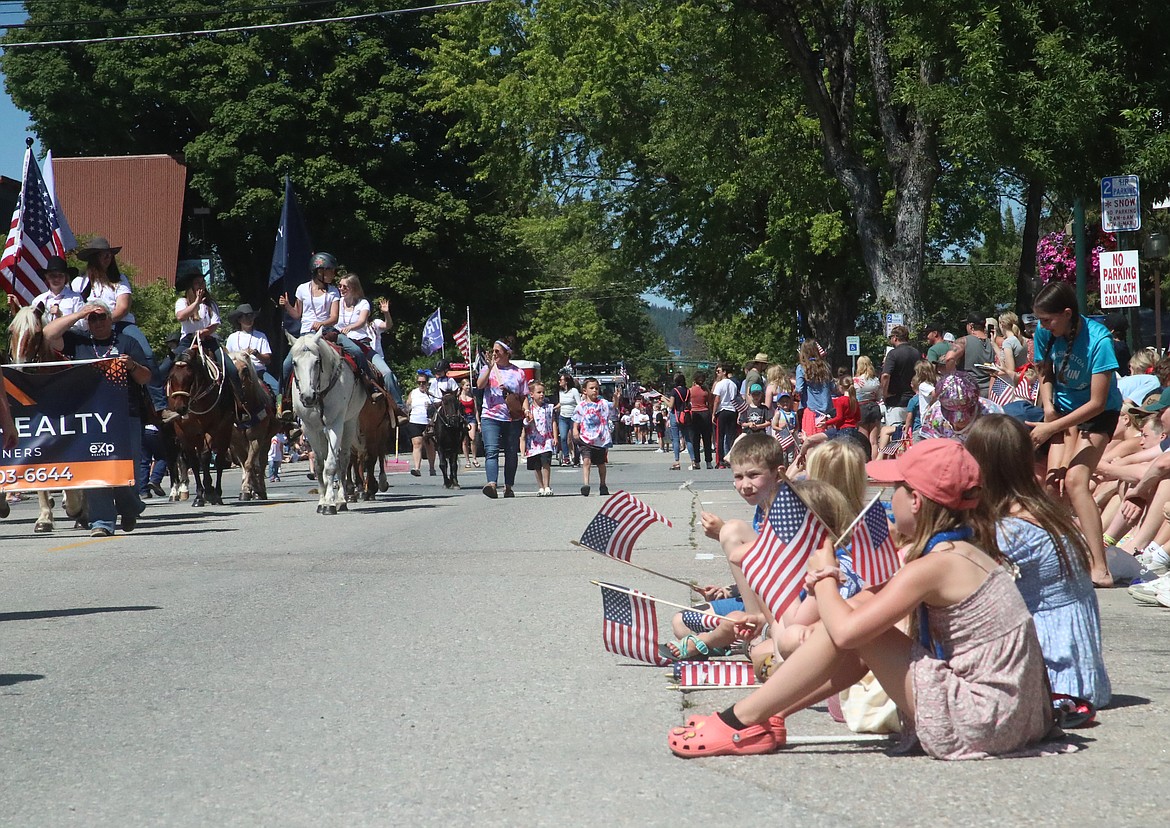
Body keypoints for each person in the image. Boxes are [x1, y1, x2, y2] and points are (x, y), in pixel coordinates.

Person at [669, 440, 1054, 759]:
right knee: (856, 614)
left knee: (852, 623)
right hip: (1012, 715)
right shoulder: (956, 549)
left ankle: (740, 720)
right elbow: (857, 636)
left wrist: (824, 577)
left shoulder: (937, 565)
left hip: (983, 721)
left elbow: (849, 634)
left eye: (894, 492)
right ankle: (763, 715)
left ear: (916, 502)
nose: (887, 500)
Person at [966, 415, 1111, 707]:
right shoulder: (1044, 513)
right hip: (1081, 677)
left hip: (1052, 684)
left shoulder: (1014, 531)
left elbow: (961, 592)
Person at [1029, 280, 1122, 587]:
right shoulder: (1046, 333)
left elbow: (1097, 402)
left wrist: (1052, 427)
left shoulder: (1099, 341)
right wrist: (1048, 409)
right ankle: (1060, 559)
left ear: (1067, 313)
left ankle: (1101, 568)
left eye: (1047, 320)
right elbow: (1046, 373)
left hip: (1097, 415)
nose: (1042, 326)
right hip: (1059, 415)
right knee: (1053, 486)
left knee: (1075, 481)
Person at [43, 300, 153, 537]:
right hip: (90, 416)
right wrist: (80, 313)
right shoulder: (78, 341)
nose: (98, 321)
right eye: (92, 318)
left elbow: (145, 378)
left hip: (125, 414)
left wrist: (132, 366)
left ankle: (130, 506)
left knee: (127, 469)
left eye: (101, 316)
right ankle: (101, 522)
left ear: (110, 319)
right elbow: (48, 333)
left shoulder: (127, 342)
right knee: (95, 469)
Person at [72, 236, 154, 364]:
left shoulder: (120, 279)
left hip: (121, 323)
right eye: (103, 255)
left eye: (109, 255)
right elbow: (76, 307)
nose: (107, 258)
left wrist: (106, 321)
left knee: (146, 352)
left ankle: (153, 384)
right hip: (90, 325)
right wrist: (94, 323)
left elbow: (123, 307)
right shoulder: (79, 282)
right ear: (93, 258)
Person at [477, 339, 529, 498]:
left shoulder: (518, 372)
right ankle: (492, 483)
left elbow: (523, 395)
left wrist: (526, 410)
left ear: (507, 353)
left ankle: (508, 486)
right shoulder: (488, 369)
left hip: (512, 418)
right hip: (490, 416)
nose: (494, 354)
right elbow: (479, 385)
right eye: (493, 351)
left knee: (511, 452)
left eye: (497, 351)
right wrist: (490, 368)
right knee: (491, 451)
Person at [336, 273, 397, 398]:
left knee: (388, 373)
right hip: (340, 343)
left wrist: (350, 327)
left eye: (344, 287)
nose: (340, 289)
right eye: (339, 285)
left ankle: (398, 407)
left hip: (362, 345)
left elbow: (362, 321)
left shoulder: (363, 304)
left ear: (353, 288)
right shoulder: (337, 302)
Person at [919, 372, 994, 443]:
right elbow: (927, 446)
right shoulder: (935, 415)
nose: (959, 420)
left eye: (965, 411)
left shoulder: (991, 415)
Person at [225, 304, 279, 397]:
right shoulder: (232, 337)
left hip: (259, 371)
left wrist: (256, 353)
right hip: (239, 372)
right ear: (239, 319)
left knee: (277, 388)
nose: (249, 319)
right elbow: (228, 357)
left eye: (251, 315)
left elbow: (267, 360)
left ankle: (279, 410)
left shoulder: (261, 336)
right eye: (246, 316)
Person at [572, 377, 613, 497]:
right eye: (592, 388)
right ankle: (586, 484)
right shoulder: (581, 406)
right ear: (584, 391)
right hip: (585, 438)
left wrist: (616, 398)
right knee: (586, 461)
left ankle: (603, 484)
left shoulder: (603, 403)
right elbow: (576, 420)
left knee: (601, 463)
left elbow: (613, 406)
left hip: (600, 439)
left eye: (596, 388)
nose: (595, 390)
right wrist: (575, 430)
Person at [20, 256, 84, 327]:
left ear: (66, 277)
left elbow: (83, 325)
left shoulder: (75, 298)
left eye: (60, 276)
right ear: (47, 277)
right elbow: (31, 324)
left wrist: (62, 316)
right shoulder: (38, 300)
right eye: (52, 276)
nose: (56, 279)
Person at [943, 312, 996, 396]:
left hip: (969, 391)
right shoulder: (993, 343)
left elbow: (949, 358)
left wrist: (953, 378)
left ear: (971, 326)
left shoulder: (963, 341)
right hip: (990, 391)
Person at [879, 325, 918, 430]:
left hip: (896, 401)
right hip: (914, 399)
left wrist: (884, 393)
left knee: (895, 435)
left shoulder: (893, 354)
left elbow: (886, 375)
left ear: (895, 338)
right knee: (910, 434)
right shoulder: (916, 353)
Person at [795, 340, 833, 441]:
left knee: (810, 441)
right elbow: (833, 387)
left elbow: (799, 388)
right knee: (826, 442)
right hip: (827, 411)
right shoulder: (826, 367)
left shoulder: (801, 368)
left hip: (811, 410)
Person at [525, 380, 558, 496]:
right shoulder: (529, 409)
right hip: (533, 441)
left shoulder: (548, 407)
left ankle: (547, 485)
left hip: (546, 439)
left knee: (546, 462)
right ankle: (541, 487)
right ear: (532, 394)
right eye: (539, 392)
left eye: (543, 392)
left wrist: (555, 436)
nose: (542, 395)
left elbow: (553, 421)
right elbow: (525, 424)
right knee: (536, 465)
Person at [406, 369, 438, 477]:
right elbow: (408, 405)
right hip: (415, 420)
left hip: (428, 422)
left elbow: (438, 407)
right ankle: (417, 468)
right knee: (417, 443)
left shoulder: (431, 394)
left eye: (423, 382)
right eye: (419, 382)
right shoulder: (413, 393)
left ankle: (432, 467)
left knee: (430, 445)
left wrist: (431, 408)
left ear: (427, 383)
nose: (421, 384)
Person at [711, 363, 740, 467]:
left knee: (720, 437)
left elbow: (717, 400)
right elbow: (736, 398)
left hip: (722, 411)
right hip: (732, 411)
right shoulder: (733, 384)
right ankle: (731, 459)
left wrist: (713, 413)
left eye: (719, 371)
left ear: (724, 372)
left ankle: (720, 461)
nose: (717, 373)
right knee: (731, 437)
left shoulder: (720, 384)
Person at [688, 370, 714, 469]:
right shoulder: (706, 391)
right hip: (705, 413)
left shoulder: (690, 390)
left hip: (694, 414)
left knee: (695, 439)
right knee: (707, 439)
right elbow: (710, 401)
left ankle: (697, 462)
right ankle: (708, 462)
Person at [556, 372, 582, 467]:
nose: (559, 381)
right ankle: (566, 458)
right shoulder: (561, 392)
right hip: (563, 417)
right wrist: (553, 408)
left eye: (561, 380)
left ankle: (577, 459)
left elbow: (579, 404)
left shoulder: (574, 391)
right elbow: (561, 403)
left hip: (573, 417)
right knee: (563, 437)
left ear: (566, 381)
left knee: (574, 439)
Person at [666, 373, 692, 471]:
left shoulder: (674, 391)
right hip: (685, 416)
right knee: (688, 438)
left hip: (675, 416)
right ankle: (693, 461)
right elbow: (687, 403)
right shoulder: (688, 390)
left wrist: (664, 399)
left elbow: (671, 405)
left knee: (676, 439)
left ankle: (677, 462)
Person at [458, 377, 481, 469]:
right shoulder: (459, 397)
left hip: (471, 417)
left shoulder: (472, 397)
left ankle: (474, 458)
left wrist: (478, 422)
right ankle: (467, 460)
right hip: (463, 418)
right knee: (464, 441)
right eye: (467, 385)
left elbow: (476, 411)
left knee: (473, 438)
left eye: (469, 385)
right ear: (462, 386)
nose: (468, 387)